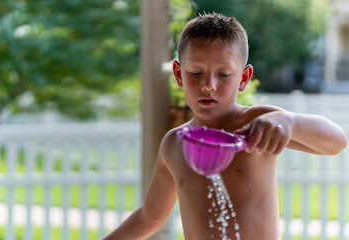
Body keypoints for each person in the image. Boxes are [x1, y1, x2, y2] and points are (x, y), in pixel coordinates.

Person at [103, 13, 347, 240]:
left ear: (243, 78)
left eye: (223, 75)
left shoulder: (256, 124)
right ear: (178, 74)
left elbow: (337, 141)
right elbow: (150, 216)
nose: (208, 85)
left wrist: (288, 122)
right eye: (196, 72)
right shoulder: (174, 144)